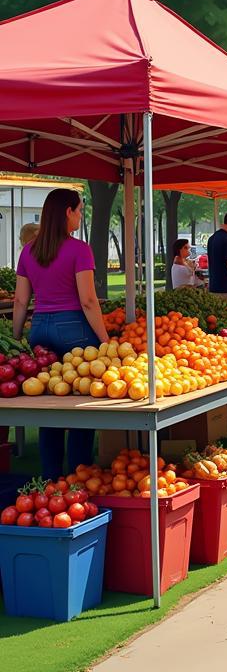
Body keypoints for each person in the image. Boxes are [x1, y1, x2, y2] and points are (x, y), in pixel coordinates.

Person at [12, 189, 108, 480]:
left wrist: (17, 341)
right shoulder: (80, 250)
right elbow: (88, 301)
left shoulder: (28, 250)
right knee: (80, 404)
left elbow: (19, 301)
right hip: (74, 329)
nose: (81, 215)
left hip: (39, 327)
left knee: (47, 406)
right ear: (67, 211)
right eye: (79, 210)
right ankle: (78, 477)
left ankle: (50, 479)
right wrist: (106, 341)